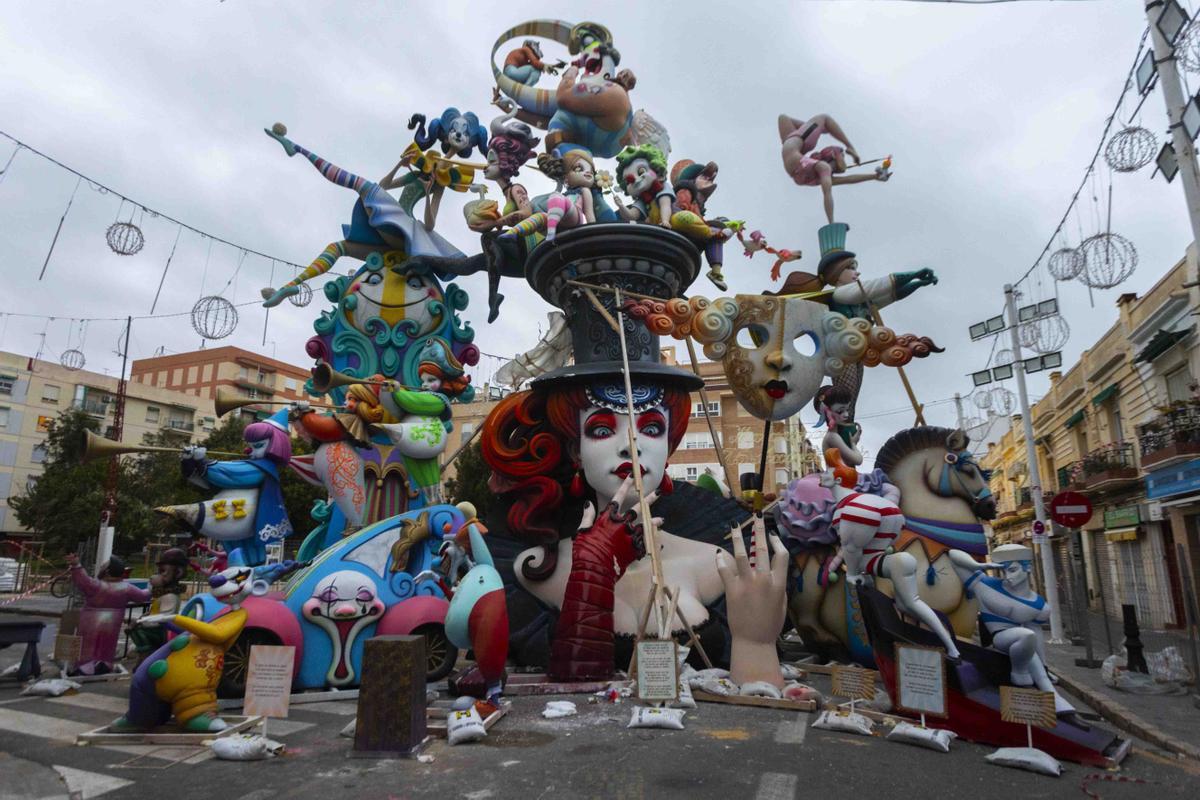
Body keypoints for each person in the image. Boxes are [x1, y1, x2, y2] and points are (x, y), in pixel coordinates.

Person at [778, 113, 889, 224]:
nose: (844, 159)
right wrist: (874, 176)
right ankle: (828, 132)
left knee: (823, 118)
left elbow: (832, 189)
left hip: (795, 145)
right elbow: (847, 179)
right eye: (843, 156)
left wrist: (831, 222)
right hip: (795, 153)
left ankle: (841, 141)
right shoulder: (820, 173)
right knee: (785, 118)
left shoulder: (822, 169)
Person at [65, 554, 151, 675]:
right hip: (113, 621)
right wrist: (152, 588)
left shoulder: (96, 585)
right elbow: (142, 596)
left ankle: (84, 666)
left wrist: (76, 566)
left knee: (87, 644)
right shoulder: (127, 588)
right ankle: (104, 663)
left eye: (103, 566)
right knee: (107, 644)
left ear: (107, 572)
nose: (101, 567)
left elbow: (83, 580)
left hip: (91, 620)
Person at [128, 548, 189, 664]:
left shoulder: (170, 596)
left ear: (178, 572)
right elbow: (154, 611)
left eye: (163, 571)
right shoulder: (162, 594)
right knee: (135, 627)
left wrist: (143, 621)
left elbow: (164, 618)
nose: (156, 576)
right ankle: (143, 654)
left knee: (137, 629)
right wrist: (144, 616)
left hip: (161, 630)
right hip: (155, 625)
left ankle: (145, 653)